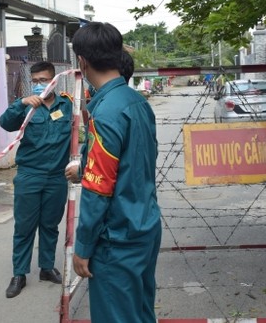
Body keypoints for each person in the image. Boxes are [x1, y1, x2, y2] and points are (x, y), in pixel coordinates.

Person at [65, 22, 161, 323]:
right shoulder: (137, 103)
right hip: (145, 226)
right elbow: (134, 162)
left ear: (82, 61)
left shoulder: (106, 112)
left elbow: (98, 190)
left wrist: (82, 247)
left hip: (117, 238)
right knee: (141, 313)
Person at [0, 61, 73, 298]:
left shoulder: (67, 104)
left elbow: (82, 126)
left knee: (50, 225)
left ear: (54, 80)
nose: (39, 84)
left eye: (44, 80)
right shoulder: (26, 106)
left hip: (56, 177)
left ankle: (46, 267)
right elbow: (5, 123)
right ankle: (19, 273)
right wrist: (21, 103)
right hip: (30, 175)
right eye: (35, 80)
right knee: (24, 227)